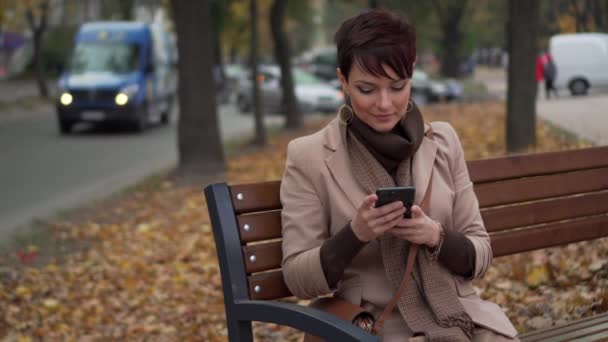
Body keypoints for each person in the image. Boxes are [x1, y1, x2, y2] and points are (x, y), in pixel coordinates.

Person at [280, 10, 518, 342]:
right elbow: (296, 277)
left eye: (398, 86)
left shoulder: (444, 141)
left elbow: (480, 253)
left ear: (412, 75)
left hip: (457, 317)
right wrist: (356, 233)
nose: (385, 103)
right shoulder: (309, 156)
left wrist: (434, 235)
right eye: (367, 89)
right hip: (369, 327)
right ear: (343, 80)